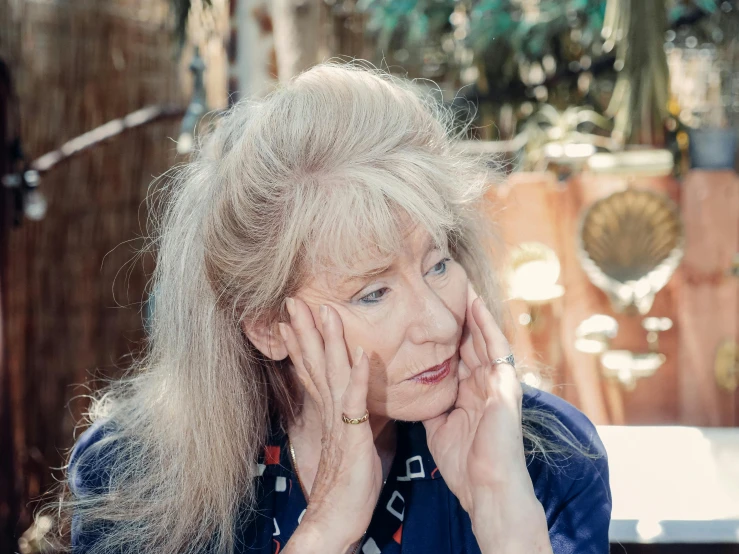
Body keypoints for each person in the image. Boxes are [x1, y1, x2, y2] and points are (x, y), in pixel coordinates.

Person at [41, 62, 611, 554]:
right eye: (373, 293)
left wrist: (503, 514)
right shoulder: (134, 474)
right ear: (268, 327)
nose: (440, 323)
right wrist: (326, 529)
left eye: (437, 264)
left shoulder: (547, 456)